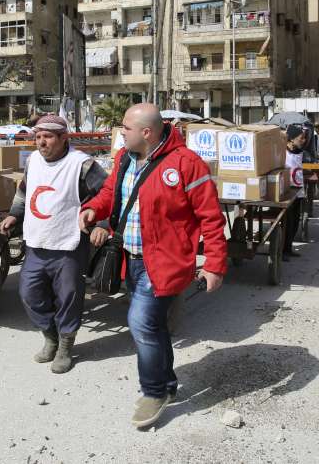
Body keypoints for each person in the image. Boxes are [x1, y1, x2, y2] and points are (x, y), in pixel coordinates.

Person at [78, 103, 227, 429]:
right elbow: (110, 193)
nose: (121, 132)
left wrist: (214, 264)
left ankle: (154, 391)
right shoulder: (123, 159)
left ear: (146, 133)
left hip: (163, 263)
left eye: (126, 128)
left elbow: (211, 218)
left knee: (141, 323)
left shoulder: (186, 165)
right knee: (155, 326)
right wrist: (93, 208)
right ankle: (170, 384)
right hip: (128, 260)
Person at [0, 115, 107, 374]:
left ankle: (65, 346)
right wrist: (14, 214)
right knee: (29, 294)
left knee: (68, 296)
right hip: (37, 241)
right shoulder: (33, 161)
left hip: (68, 244)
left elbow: (107, 193)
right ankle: (50, 336)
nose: (41, 142)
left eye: (47, 137)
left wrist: (102, 225)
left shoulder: (82, 164)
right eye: (37, 137)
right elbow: (24, 192)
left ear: (63, 138)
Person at [282, 124, 306, 259]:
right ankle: (283, 250)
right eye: (300, 138)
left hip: (298, 191)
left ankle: (289, 247)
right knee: (287, 222)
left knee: (296, 221)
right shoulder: (282, 153)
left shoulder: (300, 152)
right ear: (290, 139)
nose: (303, 140)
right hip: (287, 191)